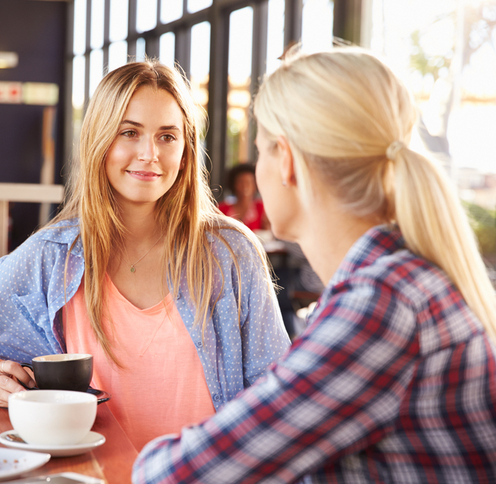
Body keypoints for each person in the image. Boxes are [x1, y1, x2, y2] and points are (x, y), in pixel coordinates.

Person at [132, 47, 496, 483]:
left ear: (286, 161)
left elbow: (178, 474)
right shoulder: (400, 280)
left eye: (263, 150)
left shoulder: (381, 305)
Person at [0, 60, 290, 451]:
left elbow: (278, 394)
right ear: (100, 141)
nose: (149, 153)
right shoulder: (52, 257)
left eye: (167, 136)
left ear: (186, 151)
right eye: (129, 132)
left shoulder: (231, 254)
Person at [218, 163, 269, 231]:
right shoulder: (222, 209)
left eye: (249, 182)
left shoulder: (261, 208)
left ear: (255, 185)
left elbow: (267, 234)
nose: (245, 186)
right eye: (241, 182)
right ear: (233, 184)